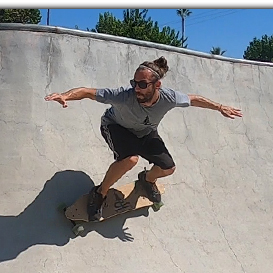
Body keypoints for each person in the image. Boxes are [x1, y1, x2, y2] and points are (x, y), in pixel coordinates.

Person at [45, 56, 243, 221]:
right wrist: (65, 95)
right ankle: (100, 192)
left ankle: (148, 179)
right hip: (116, 127)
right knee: (130, 159)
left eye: (142, 84)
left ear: (157, 85)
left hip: (146, 133)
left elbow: (193, 99)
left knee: (168, 168)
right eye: (134, 83)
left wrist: (219, 107)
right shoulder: (124, 95)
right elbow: (88, 92)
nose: (136, 88)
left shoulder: (169, 97)